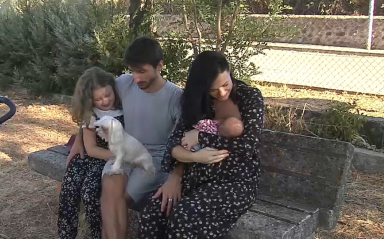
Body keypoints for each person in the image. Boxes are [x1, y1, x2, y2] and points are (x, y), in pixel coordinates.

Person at [138, 50, 265, 238]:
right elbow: (174, 144)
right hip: (194, 176)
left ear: (229, 71)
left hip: (234, 181)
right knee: (153, 213)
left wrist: (200, 137)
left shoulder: (249, 97)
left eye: (225, 84)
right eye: (213, 89)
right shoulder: (196, 101)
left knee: (184, 220)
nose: (221, 93)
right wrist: (176, 175)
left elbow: (249, 144)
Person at [67, 36, 183, 239]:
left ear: (160, 66)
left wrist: (177, 176)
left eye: (142, 71)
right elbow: (95, 109)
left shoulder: (175, 97)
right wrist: (79, 139)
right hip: (122, 151)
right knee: (110, 189)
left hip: (152, 158)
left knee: (121, 197)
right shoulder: (124, 83)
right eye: (133, 71)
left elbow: (185, 141)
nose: (136, 78)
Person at [58, 67, 124, 239]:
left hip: (107, 162)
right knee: (69, 190)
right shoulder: (91, 115)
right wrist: (115, 154)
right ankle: (66, 234)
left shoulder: (124, 109)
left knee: (90, 193)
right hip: (93, 156)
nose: (105, 101)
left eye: (108, 95)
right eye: (98, 99)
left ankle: (97, 233)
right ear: (90, 100)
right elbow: (91, 149)